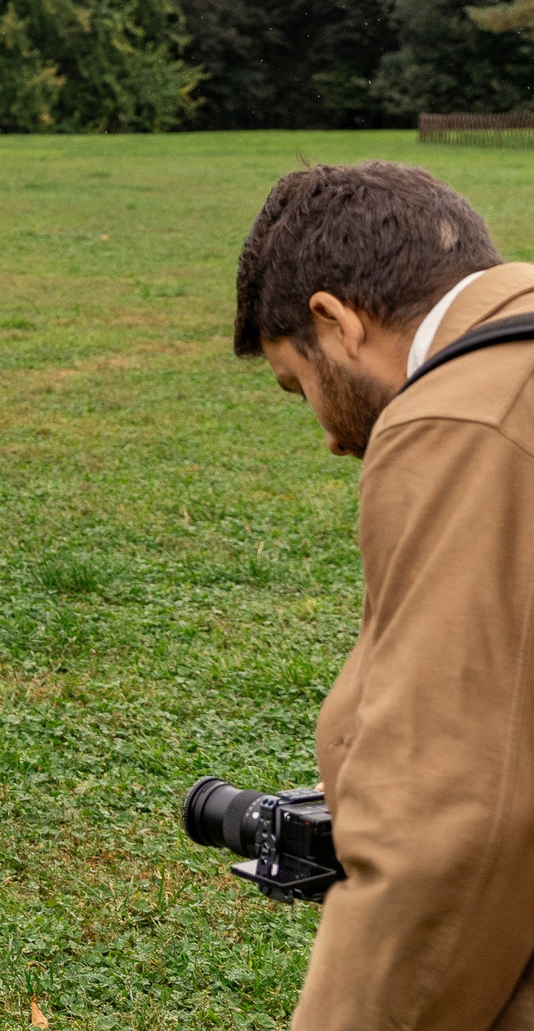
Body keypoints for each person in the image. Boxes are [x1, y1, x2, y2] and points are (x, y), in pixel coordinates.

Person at [234, 161, 534, 1027]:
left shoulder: (463, 418)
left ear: (334, 320)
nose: (329, 437)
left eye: (302, 384)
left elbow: (447, 821)